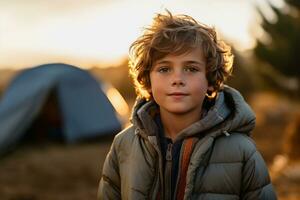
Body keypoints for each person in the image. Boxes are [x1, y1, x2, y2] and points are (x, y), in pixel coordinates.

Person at [98, 10, 277, 200]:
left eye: (191, 69)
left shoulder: (242, 152)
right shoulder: (123, 145)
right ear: (148, 79)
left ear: (210, 79)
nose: (177, 79)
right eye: (164, 69)